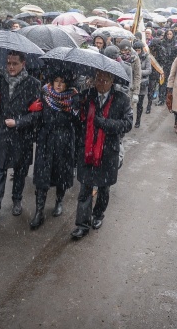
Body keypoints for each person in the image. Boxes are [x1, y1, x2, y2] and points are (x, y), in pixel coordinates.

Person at [70, 70, 133, 239]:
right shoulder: (86, 96)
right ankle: (82, 224)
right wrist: (75, 106)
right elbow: (76, 119)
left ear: (112, 81)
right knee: (85, 187)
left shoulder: (121, 99)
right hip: (87, 149)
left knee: (104, 188)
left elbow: (127, 124)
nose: (101, 83)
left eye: (105, 80)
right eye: (98, 79)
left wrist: (104, 123)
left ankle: (98, 215)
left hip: (108, 151)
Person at [0, 51, 42, 225]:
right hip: (1, 133)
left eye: (14, 63)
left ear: (23, 64)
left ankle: (17, 199)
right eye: (8, 63)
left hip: (22, 136)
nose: (10, 67)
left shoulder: (33, 84)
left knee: (20, 170)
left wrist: (18, 122)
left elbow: (37, 114)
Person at [30, 73, 79, 228]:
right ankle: (39, 210)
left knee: (61, 173)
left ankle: (59, 201)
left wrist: (75, 110)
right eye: (56, 81)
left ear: (68, 84)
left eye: (62, 82)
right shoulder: (44, 94)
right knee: (42, 175)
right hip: (46, 139)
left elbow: (77, 123)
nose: (58, 85)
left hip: (64, 140)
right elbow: (38, 116)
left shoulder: (73, 99)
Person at [157, 29, 177, 106]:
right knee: (162, 82)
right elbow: (159, 54)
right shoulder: (162, 43)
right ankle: (161, 99)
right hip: (164, 65)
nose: (169, 35)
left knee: (171, 83)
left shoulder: (176, 43)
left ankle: (169, 99)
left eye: (170, 34)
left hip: (172, 65)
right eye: (168, 34)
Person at [133, 40, 152, 128]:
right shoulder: (131, 57)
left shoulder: (146, 57)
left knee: (140, 104)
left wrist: (138, 72)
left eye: (139, 50)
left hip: (142, 83)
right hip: (132, 83)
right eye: (135, 50)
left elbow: (149, 70)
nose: (137, 52)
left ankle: (138, 120)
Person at [118, 39, 141, 103]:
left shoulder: (135, 58)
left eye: (125, 50)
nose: (123, 52)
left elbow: (137, 75)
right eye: (122, 50)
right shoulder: (118, 57)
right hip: (119, 86)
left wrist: (136, 92)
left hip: (130, 88)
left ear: (129, 49)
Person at [147, 37, 166, 114]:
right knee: (150, 91)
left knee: (158, 87)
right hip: (150, 72)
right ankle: (149, 104)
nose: (153, 48)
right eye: (152, 46)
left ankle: (157, 101)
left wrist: (159, 53)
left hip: (157, 72)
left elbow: (163, 61)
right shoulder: (149, 50)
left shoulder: (162, 50)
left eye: (155, 46)